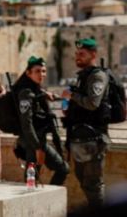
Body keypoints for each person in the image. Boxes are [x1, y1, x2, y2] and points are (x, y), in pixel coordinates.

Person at [62, 38, 111, 208]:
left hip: (94, 140)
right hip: (81, 139)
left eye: (82, 54)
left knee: (93, 185)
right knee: (85, 183)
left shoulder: (97, 76)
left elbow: (92, 103)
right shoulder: (83, 77)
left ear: (93, 55)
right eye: (76, 54)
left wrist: (72, 96)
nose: (78, 57)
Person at [13, 56, 69, 185]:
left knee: (58, 170)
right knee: (32, 179)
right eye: (37, 71)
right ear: (28, 73)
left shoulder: (36, 90)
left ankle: (45, 200)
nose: (42, 74)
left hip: (39, 140)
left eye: (43, 71)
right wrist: (37, 148)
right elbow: (26, 123)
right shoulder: (26, 93)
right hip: (32, 142)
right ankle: (33, 203)